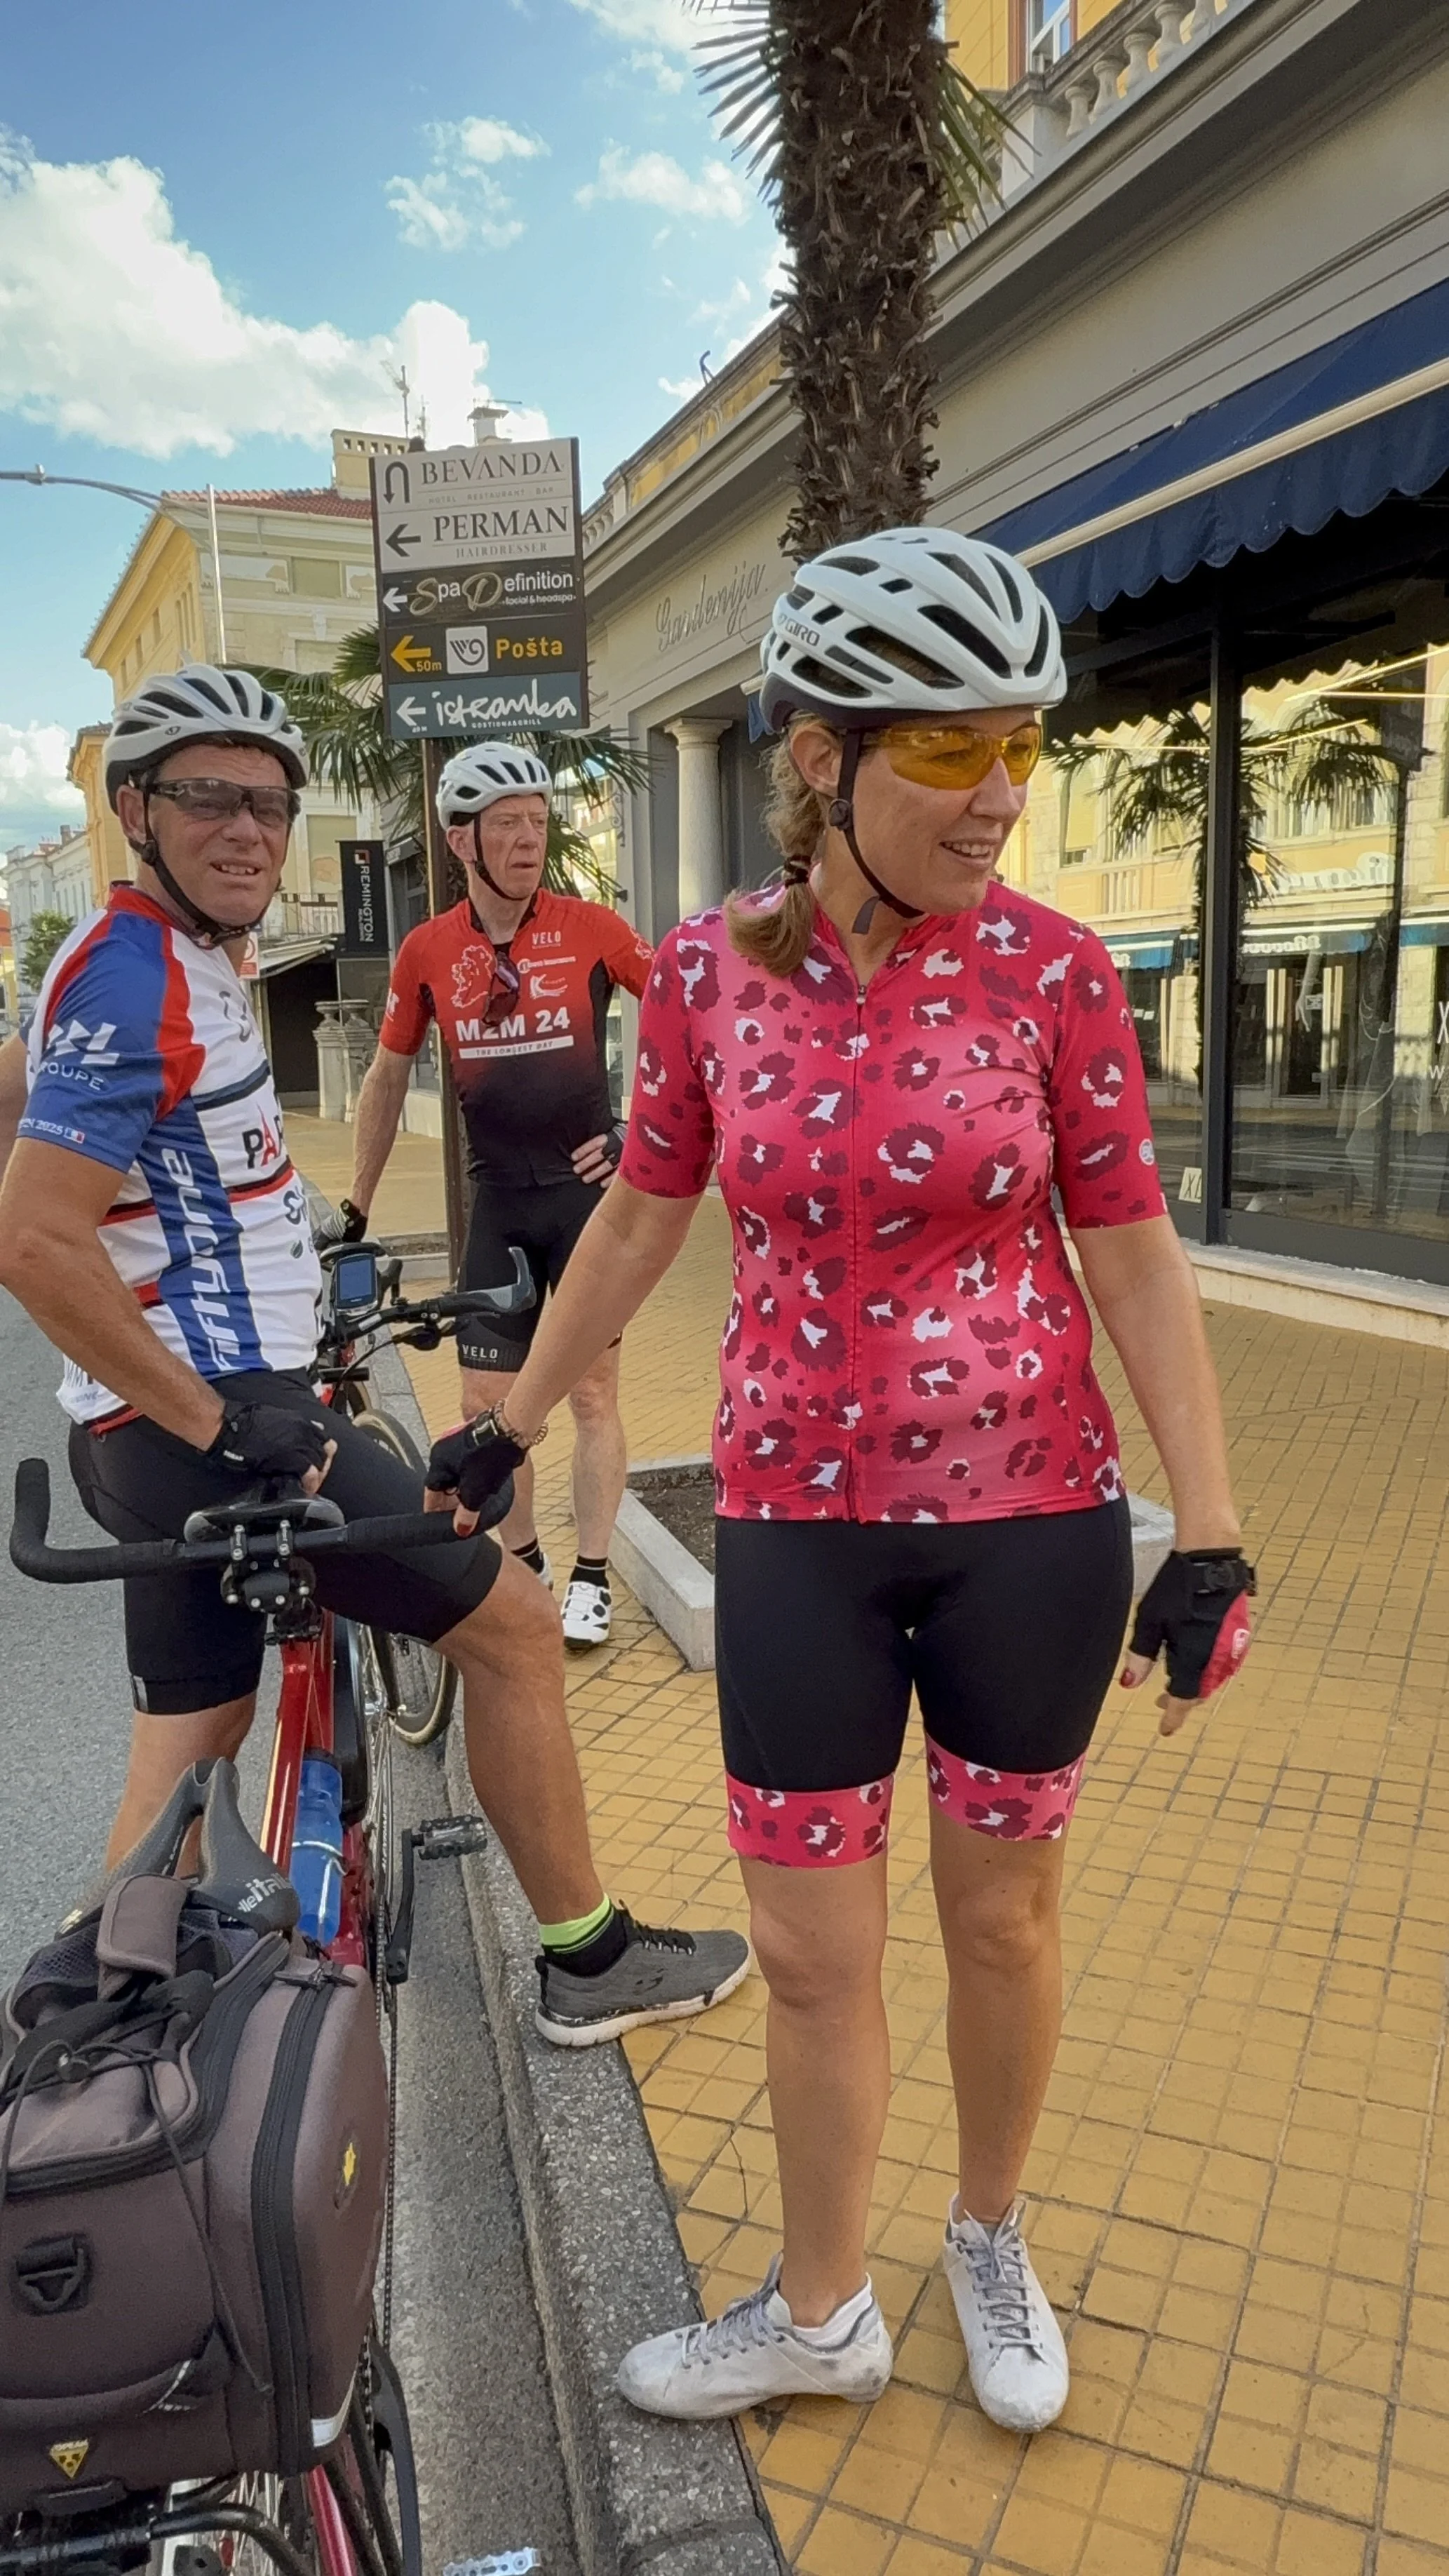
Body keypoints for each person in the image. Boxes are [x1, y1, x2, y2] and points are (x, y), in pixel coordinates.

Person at [423, 532, 1255, 2423]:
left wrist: (1206, 1528)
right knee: (808, 1956)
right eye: (953, 751)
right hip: (795, 1531)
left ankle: (986, 2231)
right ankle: (819, 2318)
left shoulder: (1055, 973)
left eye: (1022, 744)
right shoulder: (706, 971)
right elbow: (639, 1219)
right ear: (822, 759)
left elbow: (1131, 1250)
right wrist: (511, 1418)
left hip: (1030, 1528)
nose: (1005, 792)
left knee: (1002, 1918)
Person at [0, 665, 746, 2048]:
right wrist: (223, 1422)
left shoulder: (157, 960)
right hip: (214, 1426)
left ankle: (87, 2030)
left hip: (139, 1432)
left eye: (270, 804)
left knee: (189, 1739)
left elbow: (40, 1114)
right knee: (516, 1631)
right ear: (135, 810)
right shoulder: (135, 969)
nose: (247, 830)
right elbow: (34, 1240)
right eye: (208, 798)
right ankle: (585, 1962)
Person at [337, 743, 654, 1653]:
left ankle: (590, 1578)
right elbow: (386, 1079)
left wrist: (636, 1133)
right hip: (498, 1206)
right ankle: (529, 1564)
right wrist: (356, 1208)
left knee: (591, 1394)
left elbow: (690, 1020)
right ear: (460, 840)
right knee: (488, 1408)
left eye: (538, 822)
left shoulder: (594, 929)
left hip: (584, 1205)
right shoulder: (428, 949)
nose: (527, 839)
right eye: (506, 823)